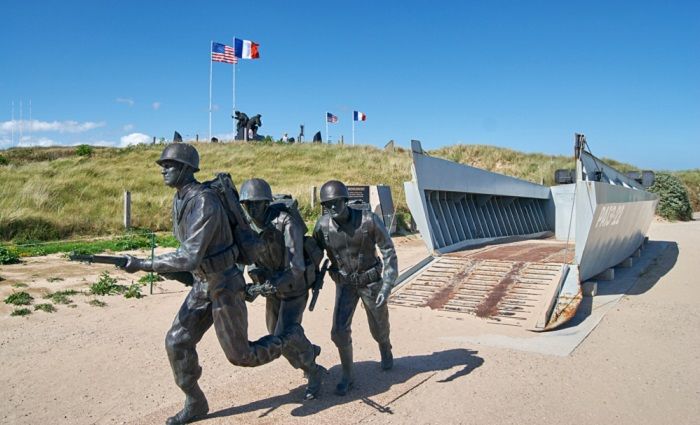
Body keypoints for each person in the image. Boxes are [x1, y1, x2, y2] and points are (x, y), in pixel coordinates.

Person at [120, 143, 299, 425]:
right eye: (162, 165)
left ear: (187, 169)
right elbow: (193, 254)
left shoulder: (204, 202)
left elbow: (190, 255)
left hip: (225, 284)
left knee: (241, 356)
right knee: (177, 341)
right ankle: (195, 402)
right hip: (203, 283)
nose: (163, 169)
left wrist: (143, 264)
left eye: (169, 165)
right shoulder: (180, 200)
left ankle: (288, 339)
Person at [239, 178, 326, 400]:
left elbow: (296, 267)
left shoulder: (286, 222)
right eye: (246, 204)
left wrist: (269, 285)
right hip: (272, 290)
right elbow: (241, 256)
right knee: (275, 335)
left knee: (283, 338)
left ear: (266, 203)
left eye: (256, 203)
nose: (251, 209)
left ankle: (313, 370)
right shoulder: (246, 225)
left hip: (294, 287)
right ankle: (308, 350)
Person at [312, 180, 398, 396]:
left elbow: (388, 251)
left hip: (371, 282)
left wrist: (387, 284)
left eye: (335, 203)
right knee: (339, 331)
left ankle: (385, 347)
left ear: (345, 200)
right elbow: (313, 254)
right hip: (346, 285)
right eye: (327, 204)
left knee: (379, 326)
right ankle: (348, 375)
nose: (331, 208)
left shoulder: (369, 220)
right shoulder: (322, 226)